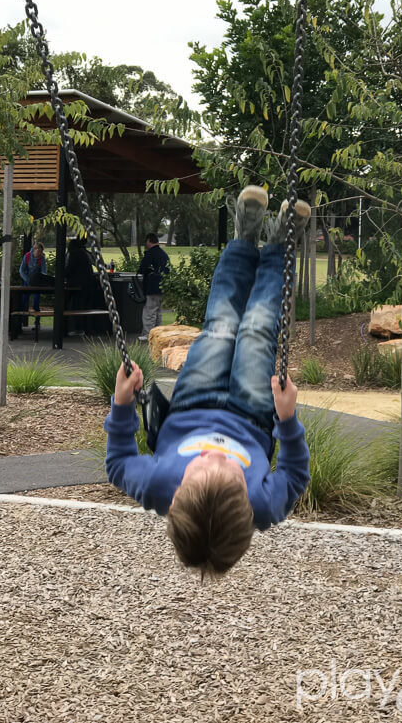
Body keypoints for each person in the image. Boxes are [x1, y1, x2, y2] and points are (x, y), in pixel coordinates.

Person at [104, 186, 311, 577]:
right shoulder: (262, 507)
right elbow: (295, 475)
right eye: (231, 473)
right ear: (248, 506)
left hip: (194, 401)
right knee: (256, 329)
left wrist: (122, 405)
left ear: (177, 494)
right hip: (252, 412)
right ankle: (280, 245)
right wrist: (287, 421)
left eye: (201, 466)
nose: (215, 455)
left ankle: (243, 238)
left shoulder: (157, 485)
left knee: (221, 326)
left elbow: (118, 463)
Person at [137, 231, 170, 341]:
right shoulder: (164, 254)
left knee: (149, 311)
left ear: (148, 241)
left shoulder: (150, 254)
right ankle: (158, 333)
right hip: (163, 286)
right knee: (158, 312)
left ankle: (148, 334)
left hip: (152, 287)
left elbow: (142, 269)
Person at [64, 237, 95, 336]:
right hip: (88, 284)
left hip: (75, 284)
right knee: (85, 306)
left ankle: (73, 328)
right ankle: (85, 329)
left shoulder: (72, 254)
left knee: (73, 306)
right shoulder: (85, 254)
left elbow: (68, 270)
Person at [19, 242, 47, 315]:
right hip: (27, 280)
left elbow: (44, 271)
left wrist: (41, 280)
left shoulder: (42, 258)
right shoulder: (27, 256)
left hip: (37, 282)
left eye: (41, 252)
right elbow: (21, 270)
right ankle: (23, 318)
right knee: (24, 299)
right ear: (34, 250)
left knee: (36, 300)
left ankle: (37, 321)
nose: (40, 254)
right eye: (38, 252)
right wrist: (27, 279)